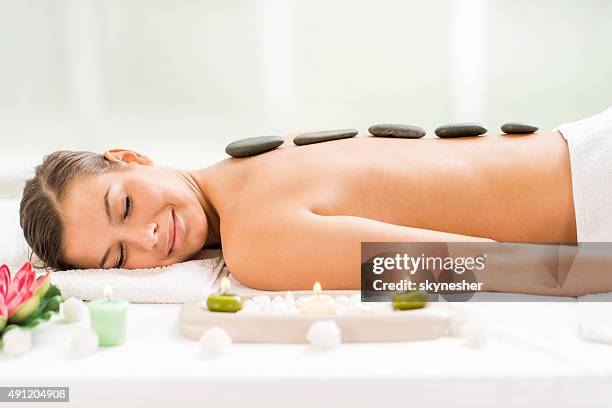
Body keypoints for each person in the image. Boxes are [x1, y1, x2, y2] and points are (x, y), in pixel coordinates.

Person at [19, 123, 581, 292]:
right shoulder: (254, 170)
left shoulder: (258, 243)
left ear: (130, 157)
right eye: (118, 258)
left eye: (125, 205)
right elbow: (479, 265)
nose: (147, 238)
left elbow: (489, 269)